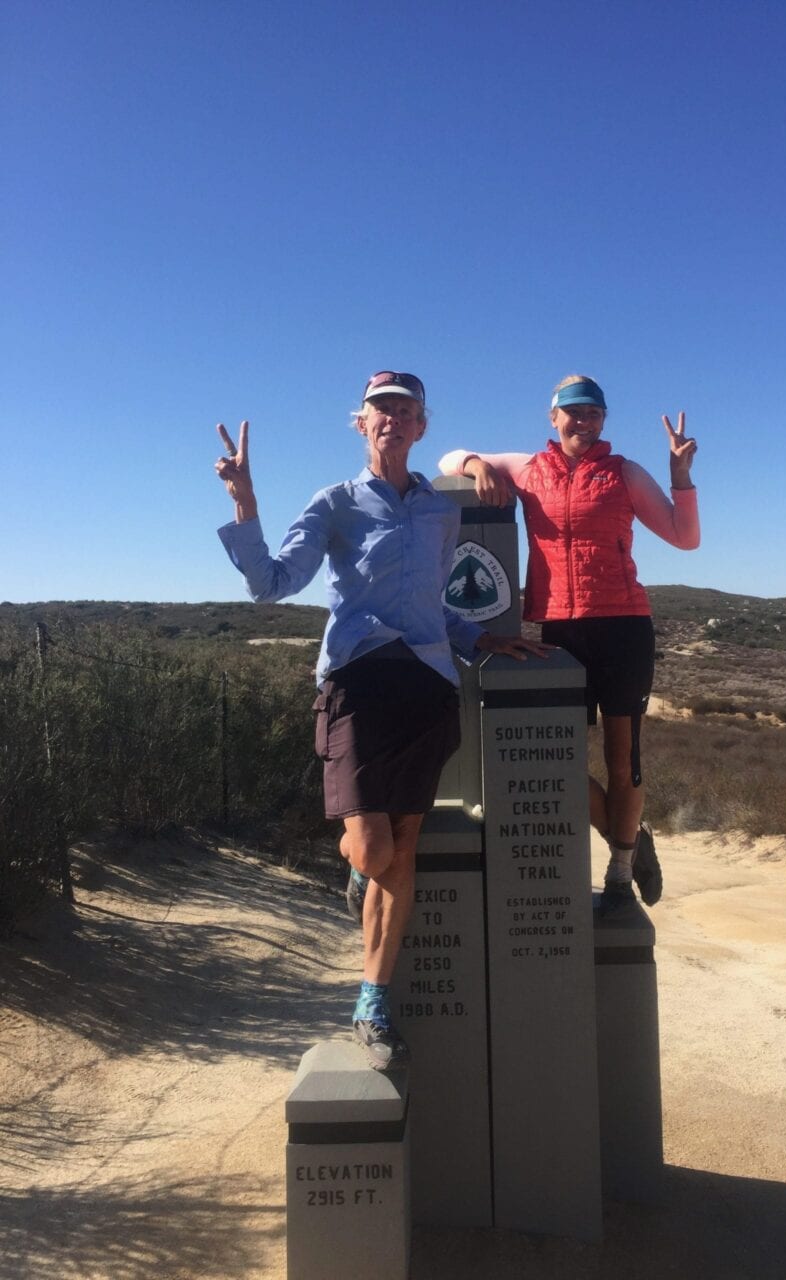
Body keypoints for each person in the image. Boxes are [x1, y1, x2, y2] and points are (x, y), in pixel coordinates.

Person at [215, 371, 546, 1069]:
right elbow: (270, 585)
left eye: (405, 409)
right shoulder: (334, 503)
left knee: (403, 844)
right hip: (358, 680)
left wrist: (478, 636)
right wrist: (246, 505)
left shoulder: (438, 510)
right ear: (359, 424)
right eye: (379, 409)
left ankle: (372, 1000)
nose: (392, 418)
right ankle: (358, 870)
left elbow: (435, 599)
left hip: (427, 681)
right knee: (372, 849)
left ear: (421, 426)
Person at [438, 374, 699, 909]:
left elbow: (684, 537)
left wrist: (679, 477)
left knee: (623, 758)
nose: (584, 422)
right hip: (560, 629)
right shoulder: (529, 470)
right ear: (553, 418)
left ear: (604, 420)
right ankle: (628, 835)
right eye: (573, 412)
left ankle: (620, 873)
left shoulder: (623, 472)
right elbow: (448, 457)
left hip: (624, 626)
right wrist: (477, 466)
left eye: (594, 414)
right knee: (557, 755)